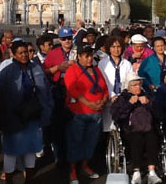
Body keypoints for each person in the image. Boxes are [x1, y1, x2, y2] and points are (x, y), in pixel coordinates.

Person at [0, 41, 53, 184]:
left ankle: (29, 178)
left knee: (31, 148)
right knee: (11, 151)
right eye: (20, 53)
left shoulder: (36, 68)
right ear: (14, 54)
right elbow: (0, 93)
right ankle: (9, 179)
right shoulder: (7, 71)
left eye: (26, 52)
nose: (24, 55)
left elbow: (44, 89)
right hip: (13, 116)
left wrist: (46, 108)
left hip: (32, 115)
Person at [64, 44, 109, 184]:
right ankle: (72, 170)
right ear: (79, 57)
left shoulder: (96, 70)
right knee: (76, 141)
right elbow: (73, 90)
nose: (89, 59)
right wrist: (88, 103)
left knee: (91, 141)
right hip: (79, 112)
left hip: (97, 112)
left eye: (91, 56)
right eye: (86, 56)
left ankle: (84, 165)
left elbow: (105, 88)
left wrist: (103, 100)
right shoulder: (73, 70)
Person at [110, 73, 163, 184]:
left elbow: (158, 114)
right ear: (128, 86)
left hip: (148, 128)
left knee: (152, 138)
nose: (137, 87)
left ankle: (152, 172)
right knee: (136, 139)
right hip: (130, 129)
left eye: (139, 84)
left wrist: (149, 104)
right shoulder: (122, 98)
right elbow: (116, 116)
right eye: (134, 85)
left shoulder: (148, 96)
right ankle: (136, 172)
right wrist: (129, 104)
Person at [42, 27, 77, 168]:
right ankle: (60, 157)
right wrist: (58, 68)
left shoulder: (78, 52)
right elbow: (44, 71)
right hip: (59, 91)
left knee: (75, 126)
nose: (67, 41)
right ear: (59, 40)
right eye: (63, 39)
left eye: (69, 38)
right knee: (58, 127)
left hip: (75, 92)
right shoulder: (53, 53)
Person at [98, 36, 134, 132]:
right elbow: (103, 82)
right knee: (107, 129)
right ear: (109, 48)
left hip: (123, 98)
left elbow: (130, 81)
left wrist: (123, 95)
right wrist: (112, 95)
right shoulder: (102, 63)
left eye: (118, 47)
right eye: (113, 47)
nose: (116, 49)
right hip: (109, 99)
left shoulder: (127, 64)